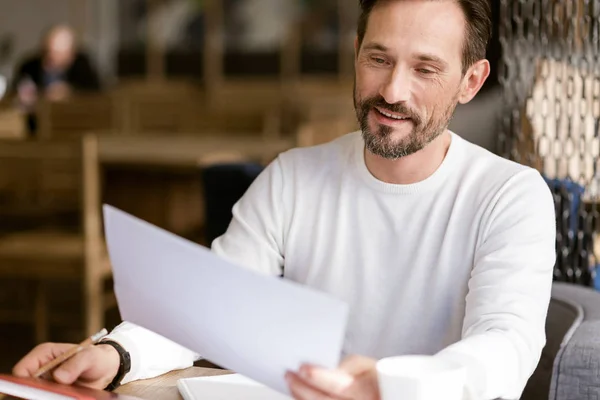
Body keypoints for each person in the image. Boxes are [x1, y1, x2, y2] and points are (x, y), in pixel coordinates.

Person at [13, 1, 556, 399]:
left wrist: (389, 387)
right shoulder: (293, 177)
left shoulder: (509, 196)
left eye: (425, 69)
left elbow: (505, 349)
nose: (392, 91)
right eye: (378, 58)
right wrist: (114, 354)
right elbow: (206, 306)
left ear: (471, 81)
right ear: (355, 53)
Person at [11, 24, 101, 134]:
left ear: (71, 54)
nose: (51, 57)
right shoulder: (29, 66)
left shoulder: (82, 66)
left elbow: (95, 93)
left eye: (58, 53)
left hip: (74, 123)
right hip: (34, 124)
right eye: (48, 51)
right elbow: (16, 90)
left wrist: (69, 91)